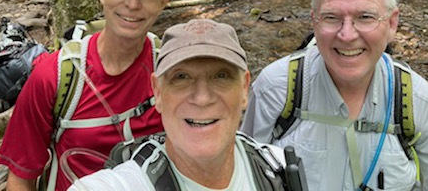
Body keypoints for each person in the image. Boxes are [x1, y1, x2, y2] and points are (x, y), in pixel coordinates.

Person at [240, 0, 428, 190]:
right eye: (331, 17)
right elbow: (245, 176)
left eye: (365, 17)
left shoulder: (420, 101)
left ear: (392, 23)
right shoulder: (275, 88)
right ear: (314, 21)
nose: (346, 35)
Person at [0, 0, 172, 191]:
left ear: (164, 3)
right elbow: (21, 178)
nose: (133, 4)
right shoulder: (54, 76)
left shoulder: (171, 70)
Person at [67, 19, 293, 191]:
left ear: (244, 89)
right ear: (158, 93)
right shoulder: (119, 185)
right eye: (182, 77)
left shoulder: (280, 167)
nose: (202, 98)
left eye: (221, 76)